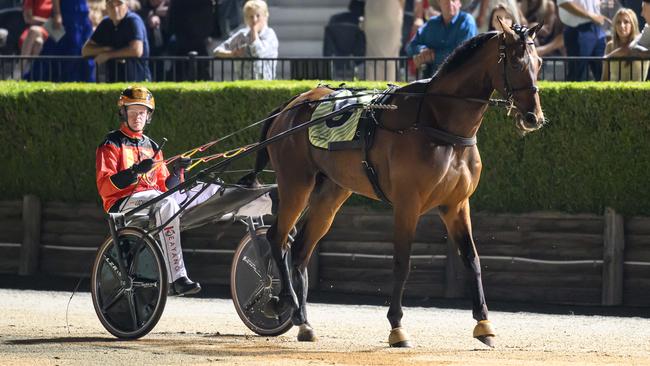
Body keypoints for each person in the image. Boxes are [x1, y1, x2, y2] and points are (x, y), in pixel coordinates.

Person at [96, 86, 216, 296]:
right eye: (132, 111)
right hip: (120, 203)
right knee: (166, 202)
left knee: (172, 200)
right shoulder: (110, 143)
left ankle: (174, 277)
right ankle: (177, 278)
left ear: (148, 115)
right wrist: (133, 171)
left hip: (152, 201)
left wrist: (177, 171)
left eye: (142, 112)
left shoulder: (152, 147)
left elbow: (163, 188)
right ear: (123, 112)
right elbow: (105, 187)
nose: (137, 116)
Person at [25, 0, 95, 82]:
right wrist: (57, 14)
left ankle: (83, 82)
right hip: (68, 12)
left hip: (82, 12)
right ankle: (62, 80)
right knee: (71, 46)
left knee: (84, 47)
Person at [82, 0, 151, 82]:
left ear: (126, 5)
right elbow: (85, 51)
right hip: (113, 82)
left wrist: (108, 55)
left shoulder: (133, 20)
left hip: (137, 81)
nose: (115, 9)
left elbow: (136, 50)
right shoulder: (106, 23)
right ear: (106, 7)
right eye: (111, 4)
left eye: (119, 4)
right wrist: (106, 49)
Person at [405, 0, 477, 78]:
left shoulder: (467, 21)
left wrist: (433, 56)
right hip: (432, 83)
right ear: (439, 2)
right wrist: (422, 51)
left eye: (454, 0)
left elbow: (462, 52)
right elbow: (410, 47)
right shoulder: (431, 23)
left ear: (459, 3)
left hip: (460, 81)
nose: (450, 3)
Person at [213, 0, 278, 80]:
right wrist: (232, 54)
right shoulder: (242, 35)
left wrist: (254, 31)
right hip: (243, 83)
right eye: (251, 17)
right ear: (245, 19)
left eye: (258, 16)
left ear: (265, 16)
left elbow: (257, 53)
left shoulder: (270, 35)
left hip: (264, 85)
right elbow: (217, 51)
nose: (254, 20)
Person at [557, 0, 609, 81]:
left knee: (603, 73)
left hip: (598, 28)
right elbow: (564, 3)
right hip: (578, 30)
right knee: (577, 75)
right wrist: (591, 15)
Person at [602, 8, 649, 80]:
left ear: (633, 24)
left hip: (637, 90)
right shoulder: (610, 46)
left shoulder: (642, 41)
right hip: (613, 90)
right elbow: (605, 78)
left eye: (626, 22)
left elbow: (628, 50)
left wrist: (608, 57)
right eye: (618, 22)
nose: (622, 26)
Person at [363, 0, 404, 81]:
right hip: (384, 11)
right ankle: (389, 88)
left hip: (387, 11)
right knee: (382, 55)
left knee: (382, 55)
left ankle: (378, 86)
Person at [14, 0, 52, 79]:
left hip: (52, 31)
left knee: (34, 30)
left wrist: (51, 24)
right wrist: (48, 22)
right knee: (38, 42)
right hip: (33, 33)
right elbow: (28, 19)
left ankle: (19, 70)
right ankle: (31, 74)